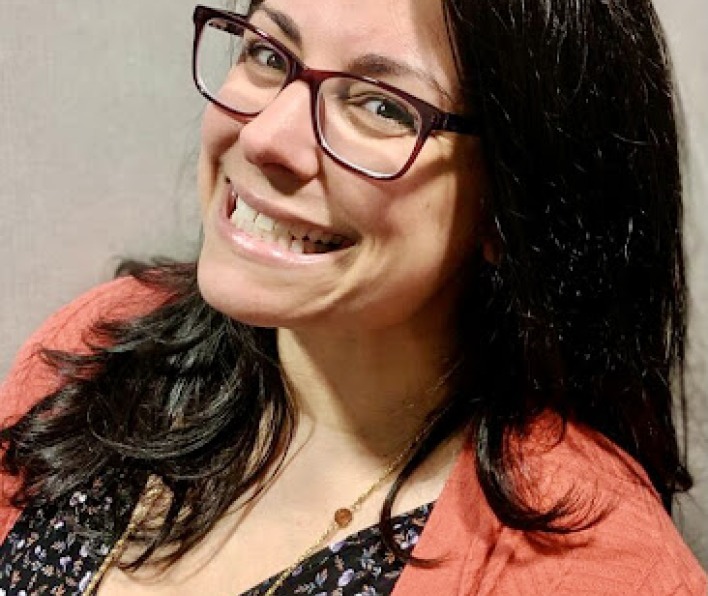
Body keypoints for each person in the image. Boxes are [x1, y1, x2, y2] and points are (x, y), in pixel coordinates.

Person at [0, 0, 706, 593]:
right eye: (269, 56)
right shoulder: (100, 347)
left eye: (381, 106)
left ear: (512, 204)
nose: (267, 136)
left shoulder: (598, 570)